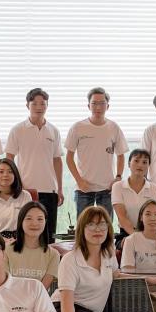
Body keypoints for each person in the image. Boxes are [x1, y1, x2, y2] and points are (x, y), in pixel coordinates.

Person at [53, 206, 156, 312]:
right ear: (82, 229)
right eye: (91, 224)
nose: (97, 229)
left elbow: (116, 275)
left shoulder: (108, 254)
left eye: (102, 224)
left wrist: (146, 279)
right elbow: (66, 298)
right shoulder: (70, 259)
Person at [6, 88, 64, 242]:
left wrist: (60, 188)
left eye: (42, 103)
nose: (39, 107)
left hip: (49, 189)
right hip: (26, 189)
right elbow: (9, 158)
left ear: (47, 105)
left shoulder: (53, 131)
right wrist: (15, 185)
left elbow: (57, 160)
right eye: (34, 103)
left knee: (49, 235)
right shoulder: (18, 130)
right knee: (25, 234)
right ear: (27, 105)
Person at [65, 87, 129, 219]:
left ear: (108, 106)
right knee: (83, 226)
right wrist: (79, 181)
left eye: (102, 103)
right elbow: (69, 158)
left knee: (106, 225)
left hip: (107, 189)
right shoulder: (78, 127)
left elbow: (121, 155)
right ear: (88, 106)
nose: (98, 107)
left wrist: (118, 177)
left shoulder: (113, 127)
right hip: (83, 188)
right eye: (94, 103)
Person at [6, 201, 60, 291]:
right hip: (10, 298)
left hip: (38, 298)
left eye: (40, 219)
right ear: (21, 221)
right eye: (29, 218)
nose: (34, 223)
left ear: (45, 222)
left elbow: (42, 290)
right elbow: (5, 285)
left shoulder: (53, 255)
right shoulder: (6, 250)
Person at [111, 149, 156, 247]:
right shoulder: (118, 186)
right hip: (126, 232)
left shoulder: (154, 188)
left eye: (144, 162)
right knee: (129, 243)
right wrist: (137, 237)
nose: (140, 165)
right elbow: (122, 217)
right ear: (129, 164)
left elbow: (155, 215)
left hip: (149, 231)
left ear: (148, 166)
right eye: (136, 161)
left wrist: (146, 236)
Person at [0, 158, 33, 241]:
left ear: (15, 175)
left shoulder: (25, 196)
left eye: (10, 171)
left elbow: (30, 223)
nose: (5, 175)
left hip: (21, 240)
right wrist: (6, 241)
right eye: (1, 172)